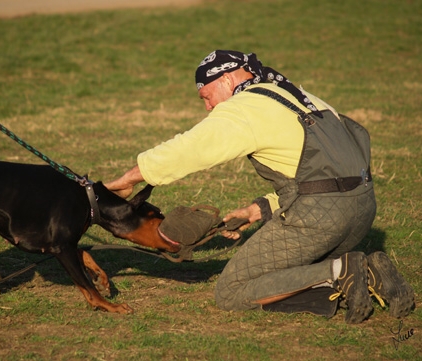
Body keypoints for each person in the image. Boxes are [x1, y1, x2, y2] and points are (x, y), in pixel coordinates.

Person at [105, 50, 415, 323]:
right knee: (286, 272)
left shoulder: (245, 106)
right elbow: (322, 169)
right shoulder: (295, 95)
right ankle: (367, 267)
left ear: (226, 80)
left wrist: (130, 178)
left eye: (206, 96)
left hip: (321, 218)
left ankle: (340, 271)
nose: (208, 107)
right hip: (362, 208)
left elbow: (189, 149)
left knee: (232, 292)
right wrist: (261, 208)